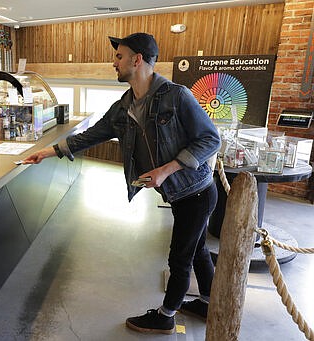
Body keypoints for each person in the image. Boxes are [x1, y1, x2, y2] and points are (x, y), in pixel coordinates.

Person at [23, 32, 221, 335]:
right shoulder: (124, 105)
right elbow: (92, 135)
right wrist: (48, 152)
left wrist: (166, 170)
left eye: (119, 56)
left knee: (180, 258)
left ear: (137, 59)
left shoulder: (176, 95)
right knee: (197, 250)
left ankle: (166, 315)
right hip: (180, 195)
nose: (113, 63)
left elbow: (210, 139)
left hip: (196, 192)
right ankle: (209, 303)